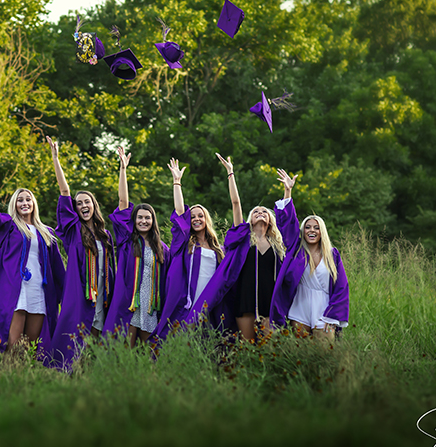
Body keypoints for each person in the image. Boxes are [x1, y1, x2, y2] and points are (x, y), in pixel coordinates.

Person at [186, 159, 299, 341]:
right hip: (245, 299)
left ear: (270, 219)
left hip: (270, 300)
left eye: (264, 211)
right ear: (250, 220)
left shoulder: (278, 245)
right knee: (246, 347)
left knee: (270, 346)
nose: (260, 212)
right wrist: (231, 173)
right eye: (255, 212)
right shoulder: (243, 239)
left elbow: (289, 225)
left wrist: (287, 191)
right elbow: (236, 203)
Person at [0, 165, 65, 358]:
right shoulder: (10, 225)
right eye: (20, 200)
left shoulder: (46, 232)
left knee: (32, 346)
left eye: (28, 199)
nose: (24, 203)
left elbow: (57, 266)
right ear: (15, 204)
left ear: (34, 203)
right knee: (13, 344)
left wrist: (64, 294)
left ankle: (26, 382)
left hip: (39, 290)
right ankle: (8, 378)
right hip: (17, 289)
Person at [46, 137, 116, 370]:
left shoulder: (105, 235)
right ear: (75, 209)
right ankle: (65, 373)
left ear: (94, 205)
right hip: (80, 292)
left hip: (102, 293)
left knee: (96, 336)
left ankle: (88, 377)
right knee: (76, 335)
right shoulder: (73, 230)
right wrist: (56, 160)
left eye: (87, 202)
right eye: (79, 203)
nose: (83, 205)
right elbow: (65, 191)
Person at [102, 146, 169, 348]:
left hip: (151, 304)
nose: (143, 221)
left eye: (147, 218)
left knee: (148, 351)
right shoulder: (126, 239)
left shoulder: (162, 248)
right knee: (126, 347)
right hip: (130, 303)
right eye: (139, 217)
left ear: (153, 220)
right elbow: (123, 202)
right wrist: (123, 169)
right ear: (134, 220)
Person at [154, 157, 225, 340]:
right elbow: (179, 212)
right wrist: (177, 182)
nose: (196, 219)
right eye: (192, 217)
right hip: (188, 299)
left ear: (206, 219)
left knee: (206, 339)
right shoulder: (186, 242)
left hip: (210, 298)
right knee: (184, 336)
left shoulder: (218, 248)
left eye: (200, 216)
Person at [270, 214, 349, 340]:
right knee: (302, 354)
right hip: (300, 307)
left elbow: (342, 286)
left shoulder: (332, 254)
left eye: (316, 227)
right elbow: (288, 226)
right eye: (307, 227)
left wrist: (333, 314)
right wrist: (287, 194)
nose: (312, 230)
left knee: (325, 353)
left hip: (324, 310)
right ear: (303, 231)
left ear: (321, 231)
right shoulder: (297, 252)